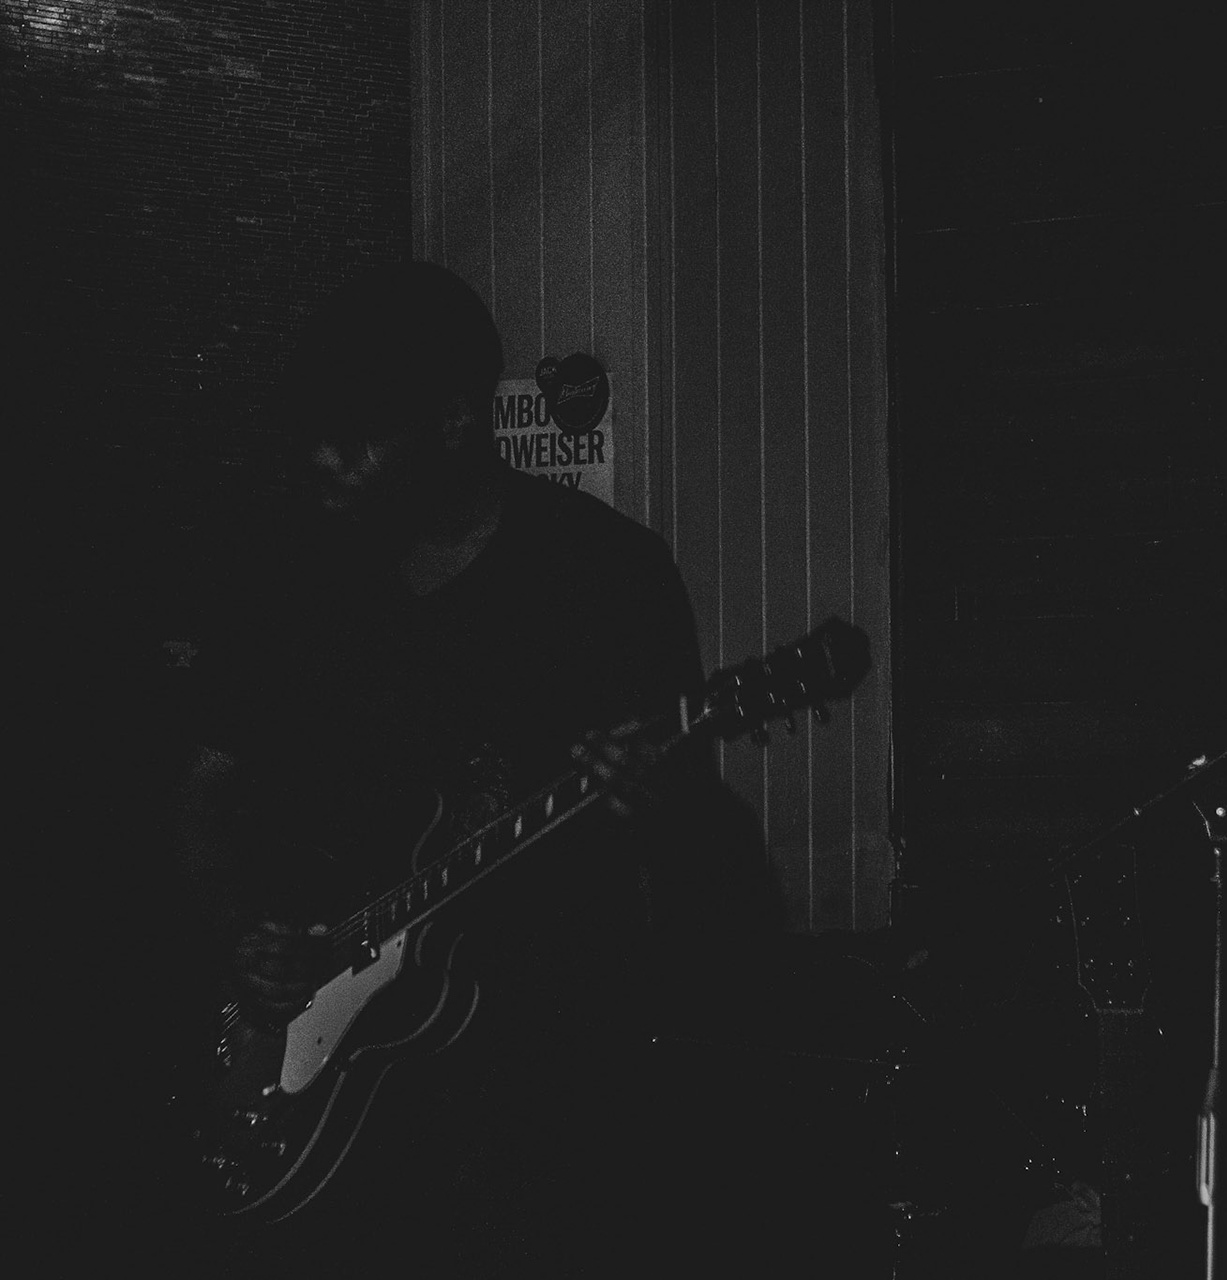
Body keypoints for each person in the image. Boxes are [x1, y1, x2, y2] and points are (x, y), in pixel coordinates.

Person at [165, 262, 786, 1274]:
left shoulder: (604, 576)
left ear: (455, 422)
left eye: (356, 434)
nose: (321, 458)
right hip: (319, 1087)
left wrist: (660, 798)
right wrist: (242, 933)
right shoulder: (289, 576)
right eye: (311, 429)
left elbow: (694, 841)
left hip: (534, 1095)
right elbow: (205, 791)